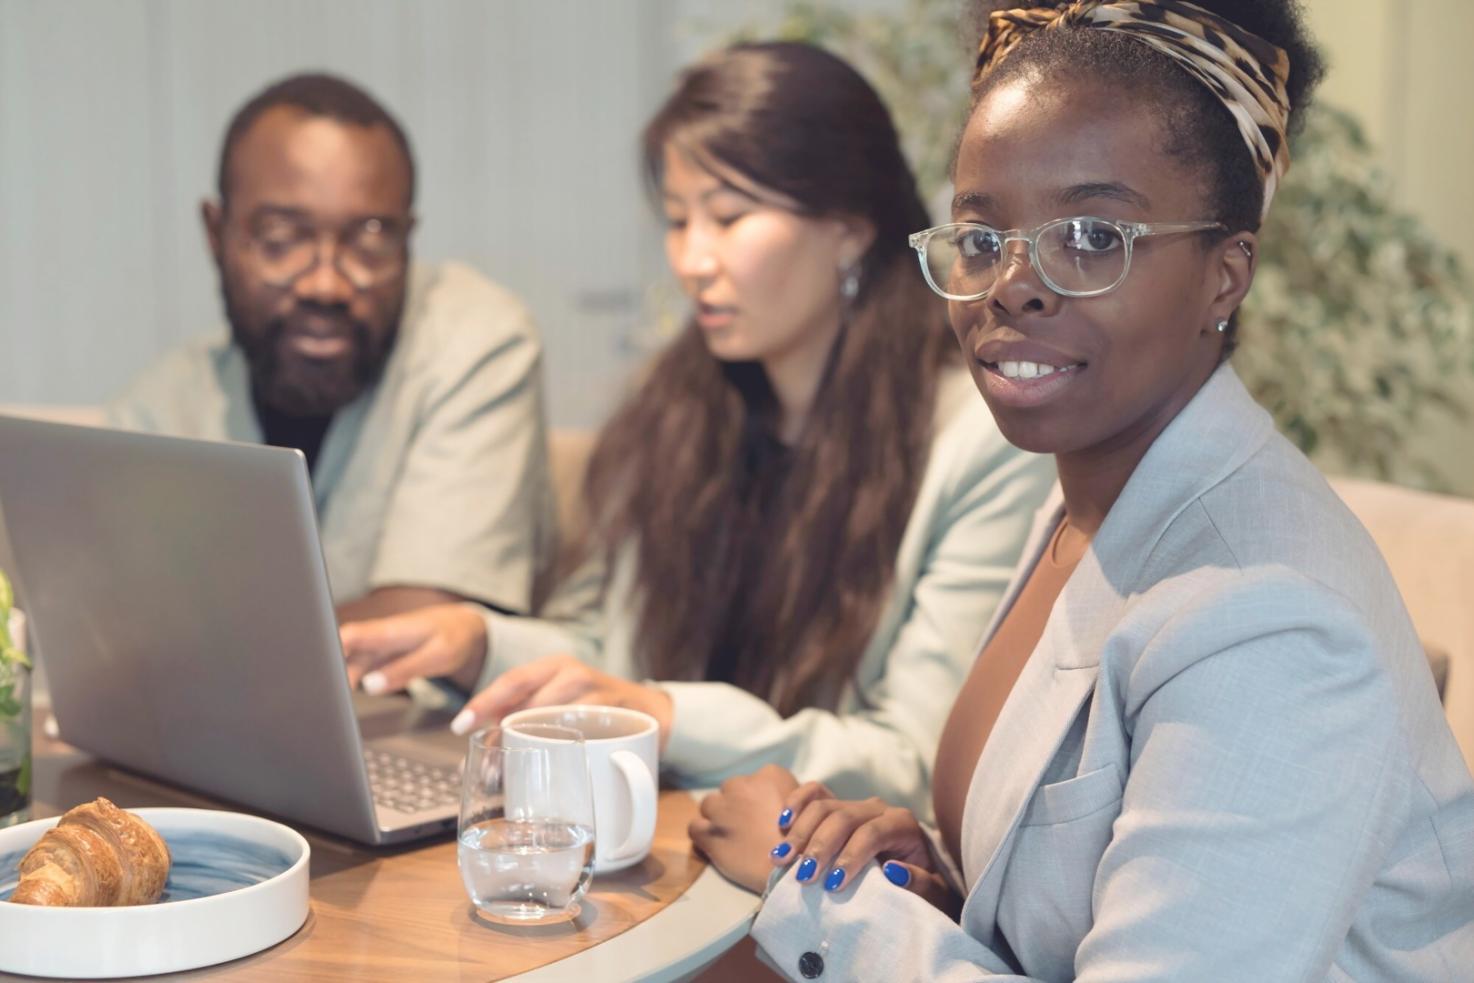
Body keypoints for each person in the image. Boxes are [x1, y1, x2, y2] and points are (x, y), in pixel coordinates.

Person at [694, 2, 1474, 979]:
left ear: (1226, 273)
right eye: (980, 237)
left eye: (1093, 235)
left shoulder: (1273, 626)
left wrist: (811, 892)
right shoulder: (1081, 503)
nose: (1011, 285)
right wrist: (931, 884)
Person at [338, 42, 1055, 812]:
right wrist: (483, 642)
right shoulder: (681, 412)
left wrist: (668, 716)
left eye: (728, 217)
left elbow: (915, 765)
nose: (691, 259)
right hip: (661, 836)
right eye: (678, 221)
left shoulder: (980, 442)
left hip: (816, 879)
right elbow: (613, 659)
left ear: (848, 226)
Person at [106, 73, 555, 623]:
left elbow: (426, 631)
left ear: (407, 238)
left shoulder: (478, 343)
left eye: (369, 240)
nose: (326, 284)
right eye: (280, 238)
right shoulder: (160, 406)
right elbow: (111, 628)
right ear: (216, 233)